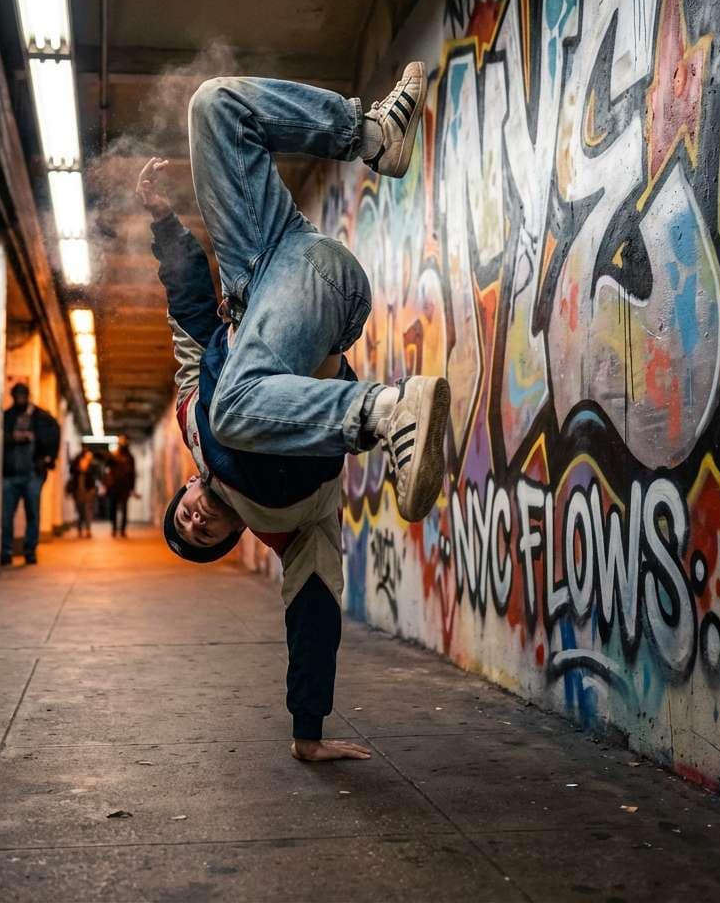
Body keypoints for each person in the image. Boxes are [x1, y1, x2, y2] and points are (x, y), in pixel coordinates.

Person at [138, 62, 450, 763]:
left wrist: (163, 225)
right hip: (321, 293)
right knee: (240, 409)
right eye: (200, 541)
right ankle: (384, 412)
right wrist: (308, 732)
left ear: (185, 492)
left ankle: (370, 132)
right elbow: (311, 615)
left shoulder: (192, 413)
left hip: (266, 255)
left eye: (181, 522)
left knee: (213, 106)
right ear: (228, 539)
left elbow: (190, 314)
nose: (193, 525)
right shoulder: (295, 522)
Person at [1, 382, 61, 565]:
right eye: (17, 395)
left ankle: (30, 551)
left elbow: (54, 433)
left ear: (27, 396)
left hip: (32, 474)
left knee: (32, 513)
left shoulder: (41, 417)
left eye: (22, 395)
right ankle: (6, 551)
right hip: (10, 473)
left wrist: (49, 458)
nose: (20, 398)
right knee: (6, 515)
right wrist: (13, 438)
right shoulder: (7, 417)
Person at [105, 434, 136, 537]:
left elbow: (132, 473)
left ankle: (122, 530)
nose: (121, 441)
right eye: (120, 439)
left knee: (124, 508)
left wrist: (132, 487)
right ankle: (114, 528)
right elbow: (107, 466)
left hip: (124, 486)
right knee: (113, 507)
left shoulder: (129, 457)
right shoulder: (114, 455)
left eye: (123, 439)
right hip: (114, 486)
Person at [68, 447, 98, 538]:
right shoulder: (76, 463)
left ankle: (88, 530)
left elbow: (97, 473)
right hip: (78, 490)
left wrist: (89, 465)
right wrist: (79, 467)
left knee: (87, 509)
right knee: (80, 510)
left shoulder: (92, 464)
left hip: (89, 490)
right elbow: (71, 470)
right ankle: (80, 529)